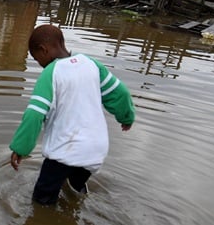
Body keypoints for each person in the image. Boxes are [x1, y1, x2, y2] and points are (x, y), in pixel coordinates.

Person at [9, 24, 135, 205]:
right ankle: (74, 209)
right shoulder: (91, 64)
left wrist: (21, 148)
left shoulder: (50, 73)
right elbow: (120, 93)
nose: (40, 64)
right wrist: (126, 117)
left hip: (65, 150)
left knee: (42, 200)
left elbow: (34, 115)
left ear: (43, 50)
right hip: (95, 151)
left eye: (37, 59)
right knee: (74, 188)